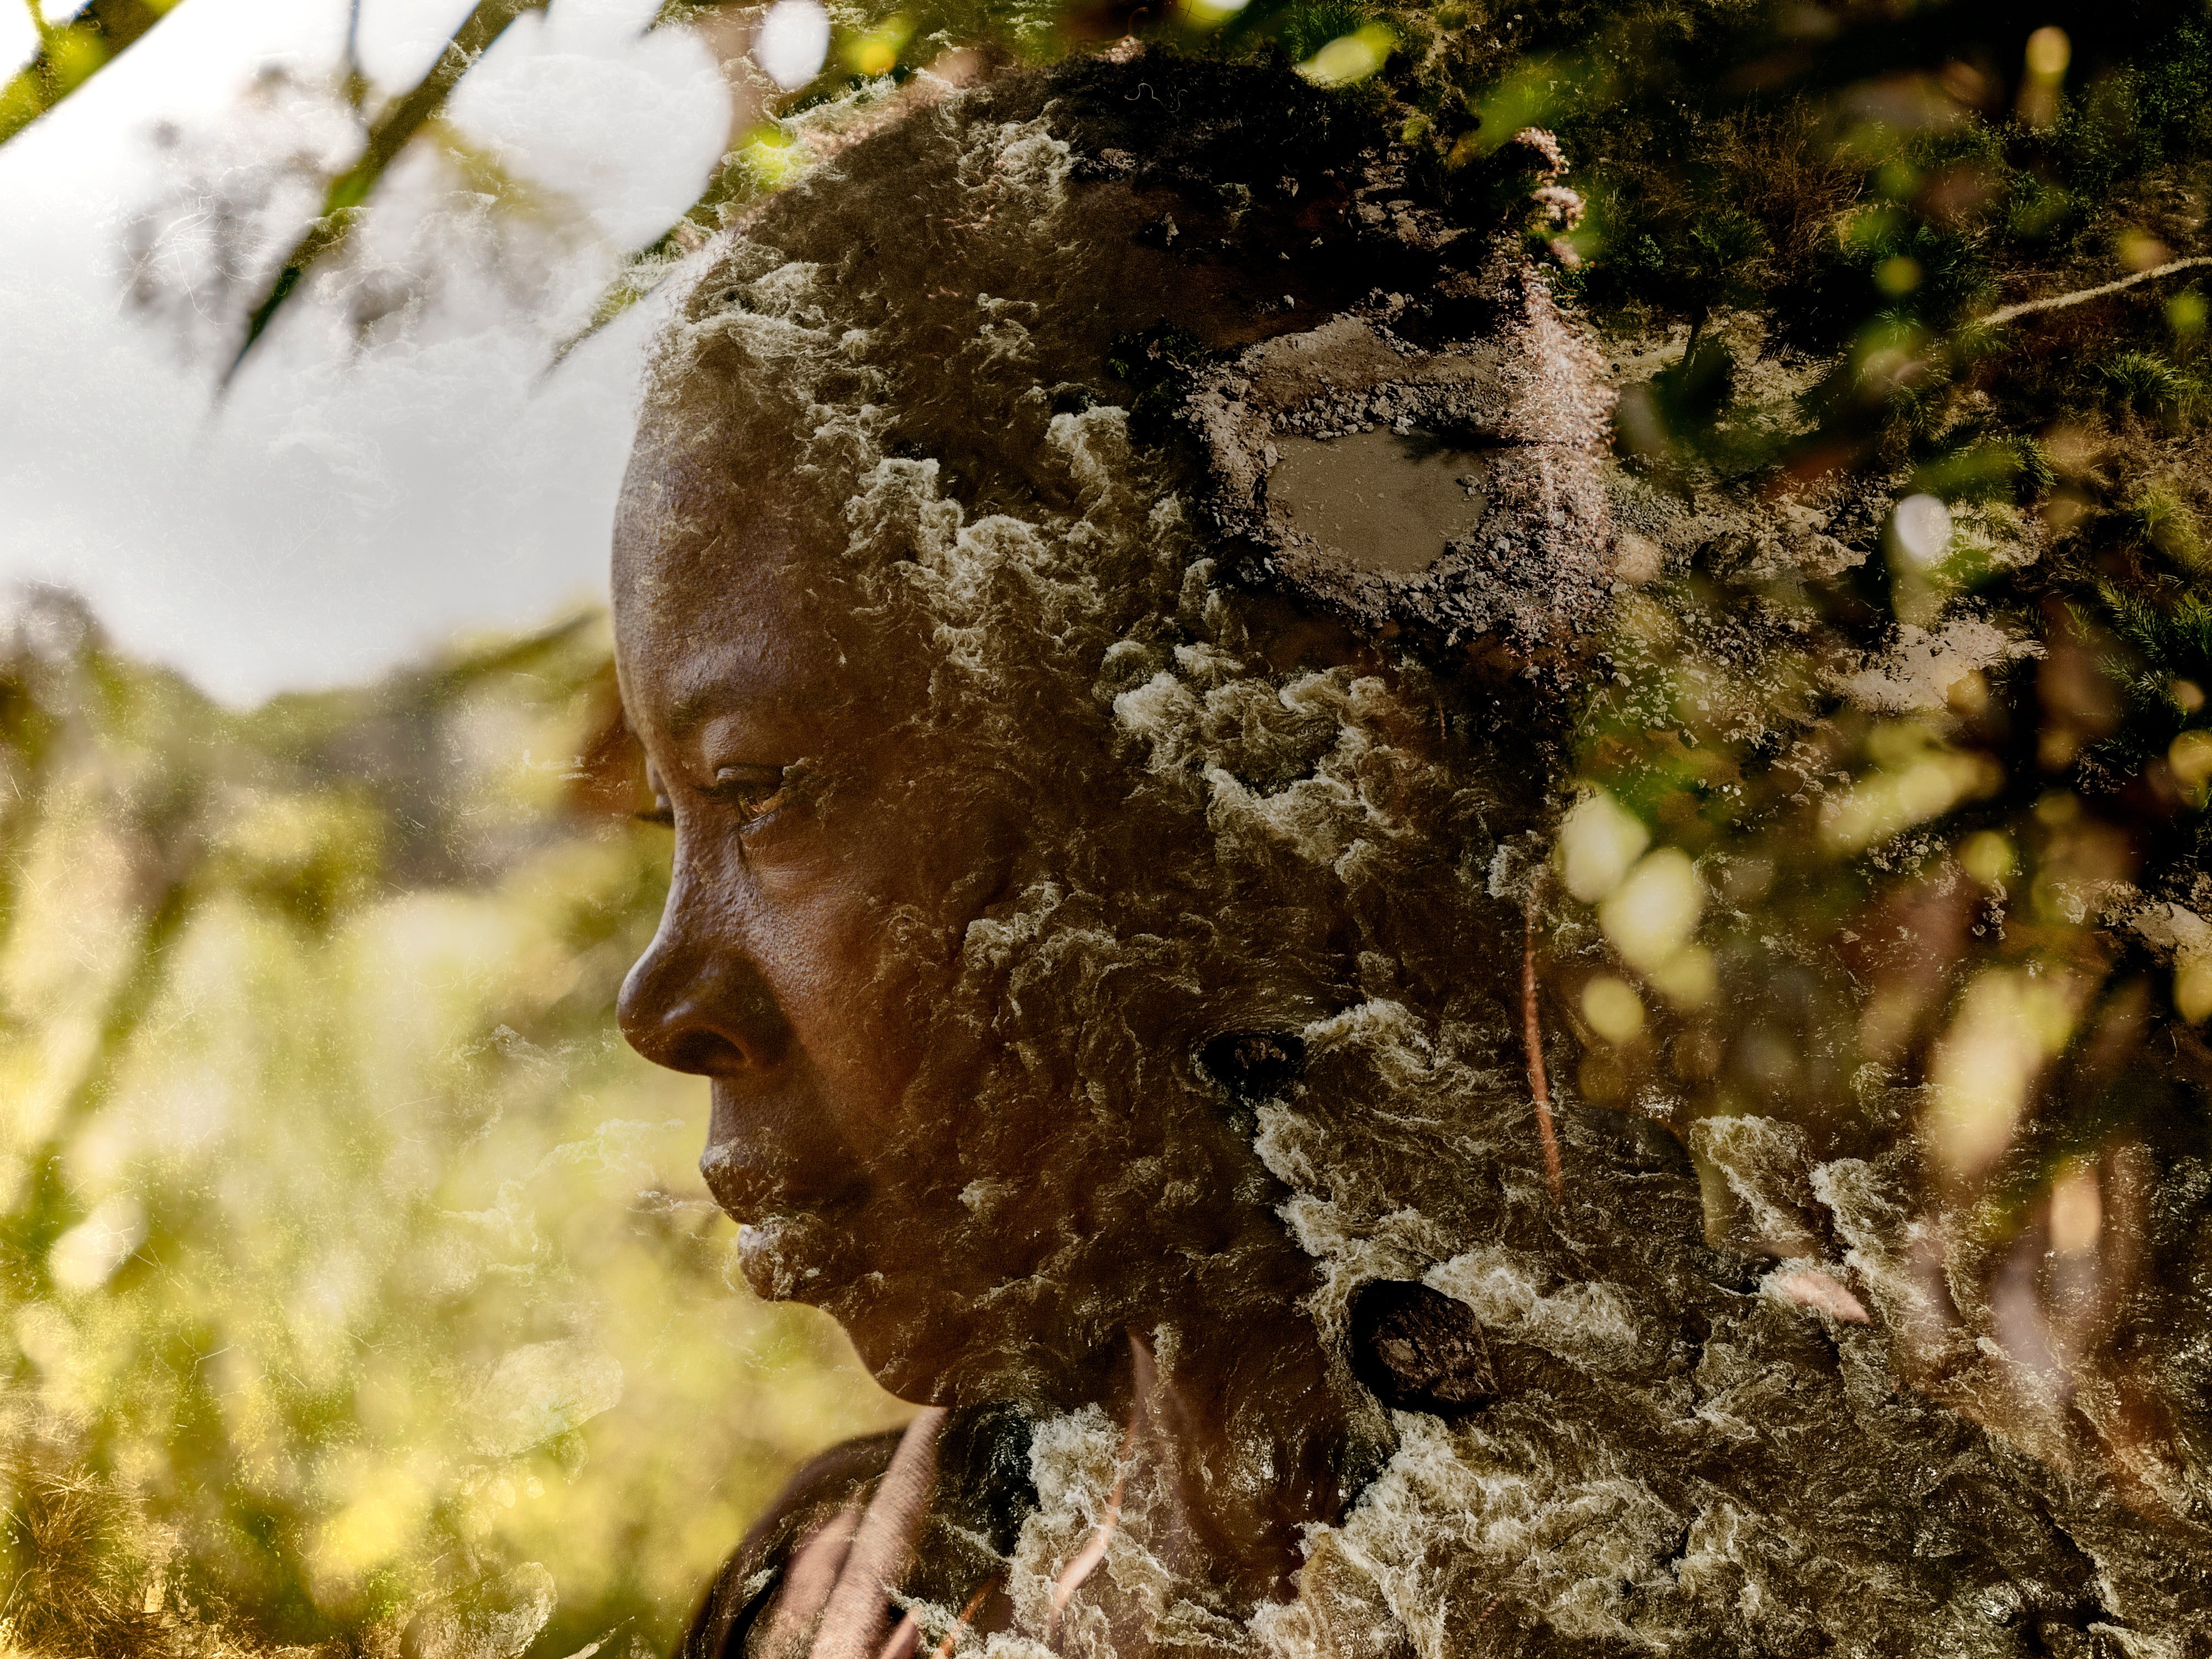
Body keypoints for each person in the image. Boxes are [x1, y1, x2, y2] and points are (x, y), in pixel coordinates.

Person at [611, 48, 2212, 1659]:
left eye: (766, 792)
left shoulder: (1911, 1563)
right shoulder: (853, 1601)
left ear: (1291, 747)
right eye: (670, 820)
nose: (663, 996)